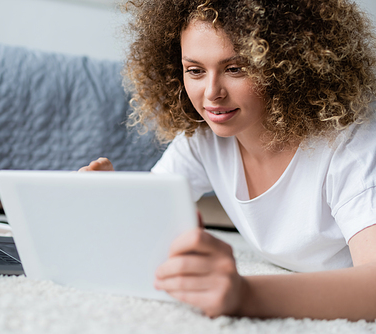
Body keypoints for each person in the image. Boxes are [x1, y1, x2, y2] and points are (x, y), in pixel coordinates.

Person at [79, 0, 376, 321]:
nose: (211, 93)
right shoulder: (203, 139)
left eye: (235, 68)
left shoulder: (350, 141)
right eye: (195, 70)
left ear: (288, 65)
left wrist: (245, 295)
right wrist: (107, 202)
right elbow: (145, 220)